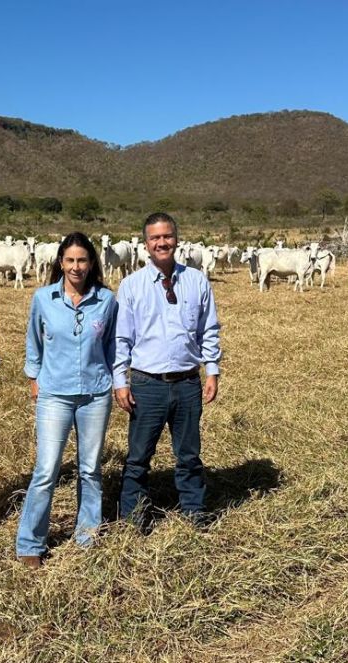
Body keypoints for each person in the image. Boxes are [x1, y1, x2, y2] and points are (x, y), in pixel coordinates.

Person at [114, 212, 222, 528]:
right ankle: (134, 516)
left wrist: (211, 370)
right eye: (155, 238)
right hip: (147, 383)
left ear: (176, 239)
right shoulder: (132, 286)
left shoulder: (197, 280)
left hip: (188, 382)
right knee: (138, 456)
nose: (162, 243)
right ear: (145, 244)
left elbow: (209, 329)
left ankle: (194, 510)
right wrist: (120, 381)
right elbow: (122, 337)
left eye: (167, 236)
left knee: (189, 454)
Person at [15, 232, 117, 568]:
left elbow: (112, 349)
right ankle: (30, 543)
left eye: (82, 260)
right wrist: (34, 378)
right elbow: (34, 341)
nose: (76, 267)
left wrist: (117, 383)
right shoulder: (43, 298)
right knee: (46, 469)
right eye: (70, 260)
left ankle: (87, 536)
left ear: (91, 264)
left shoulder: (106, 300)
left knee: (90, 469)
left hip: (95, 394)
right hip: (54, 393)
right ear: (61, 262)